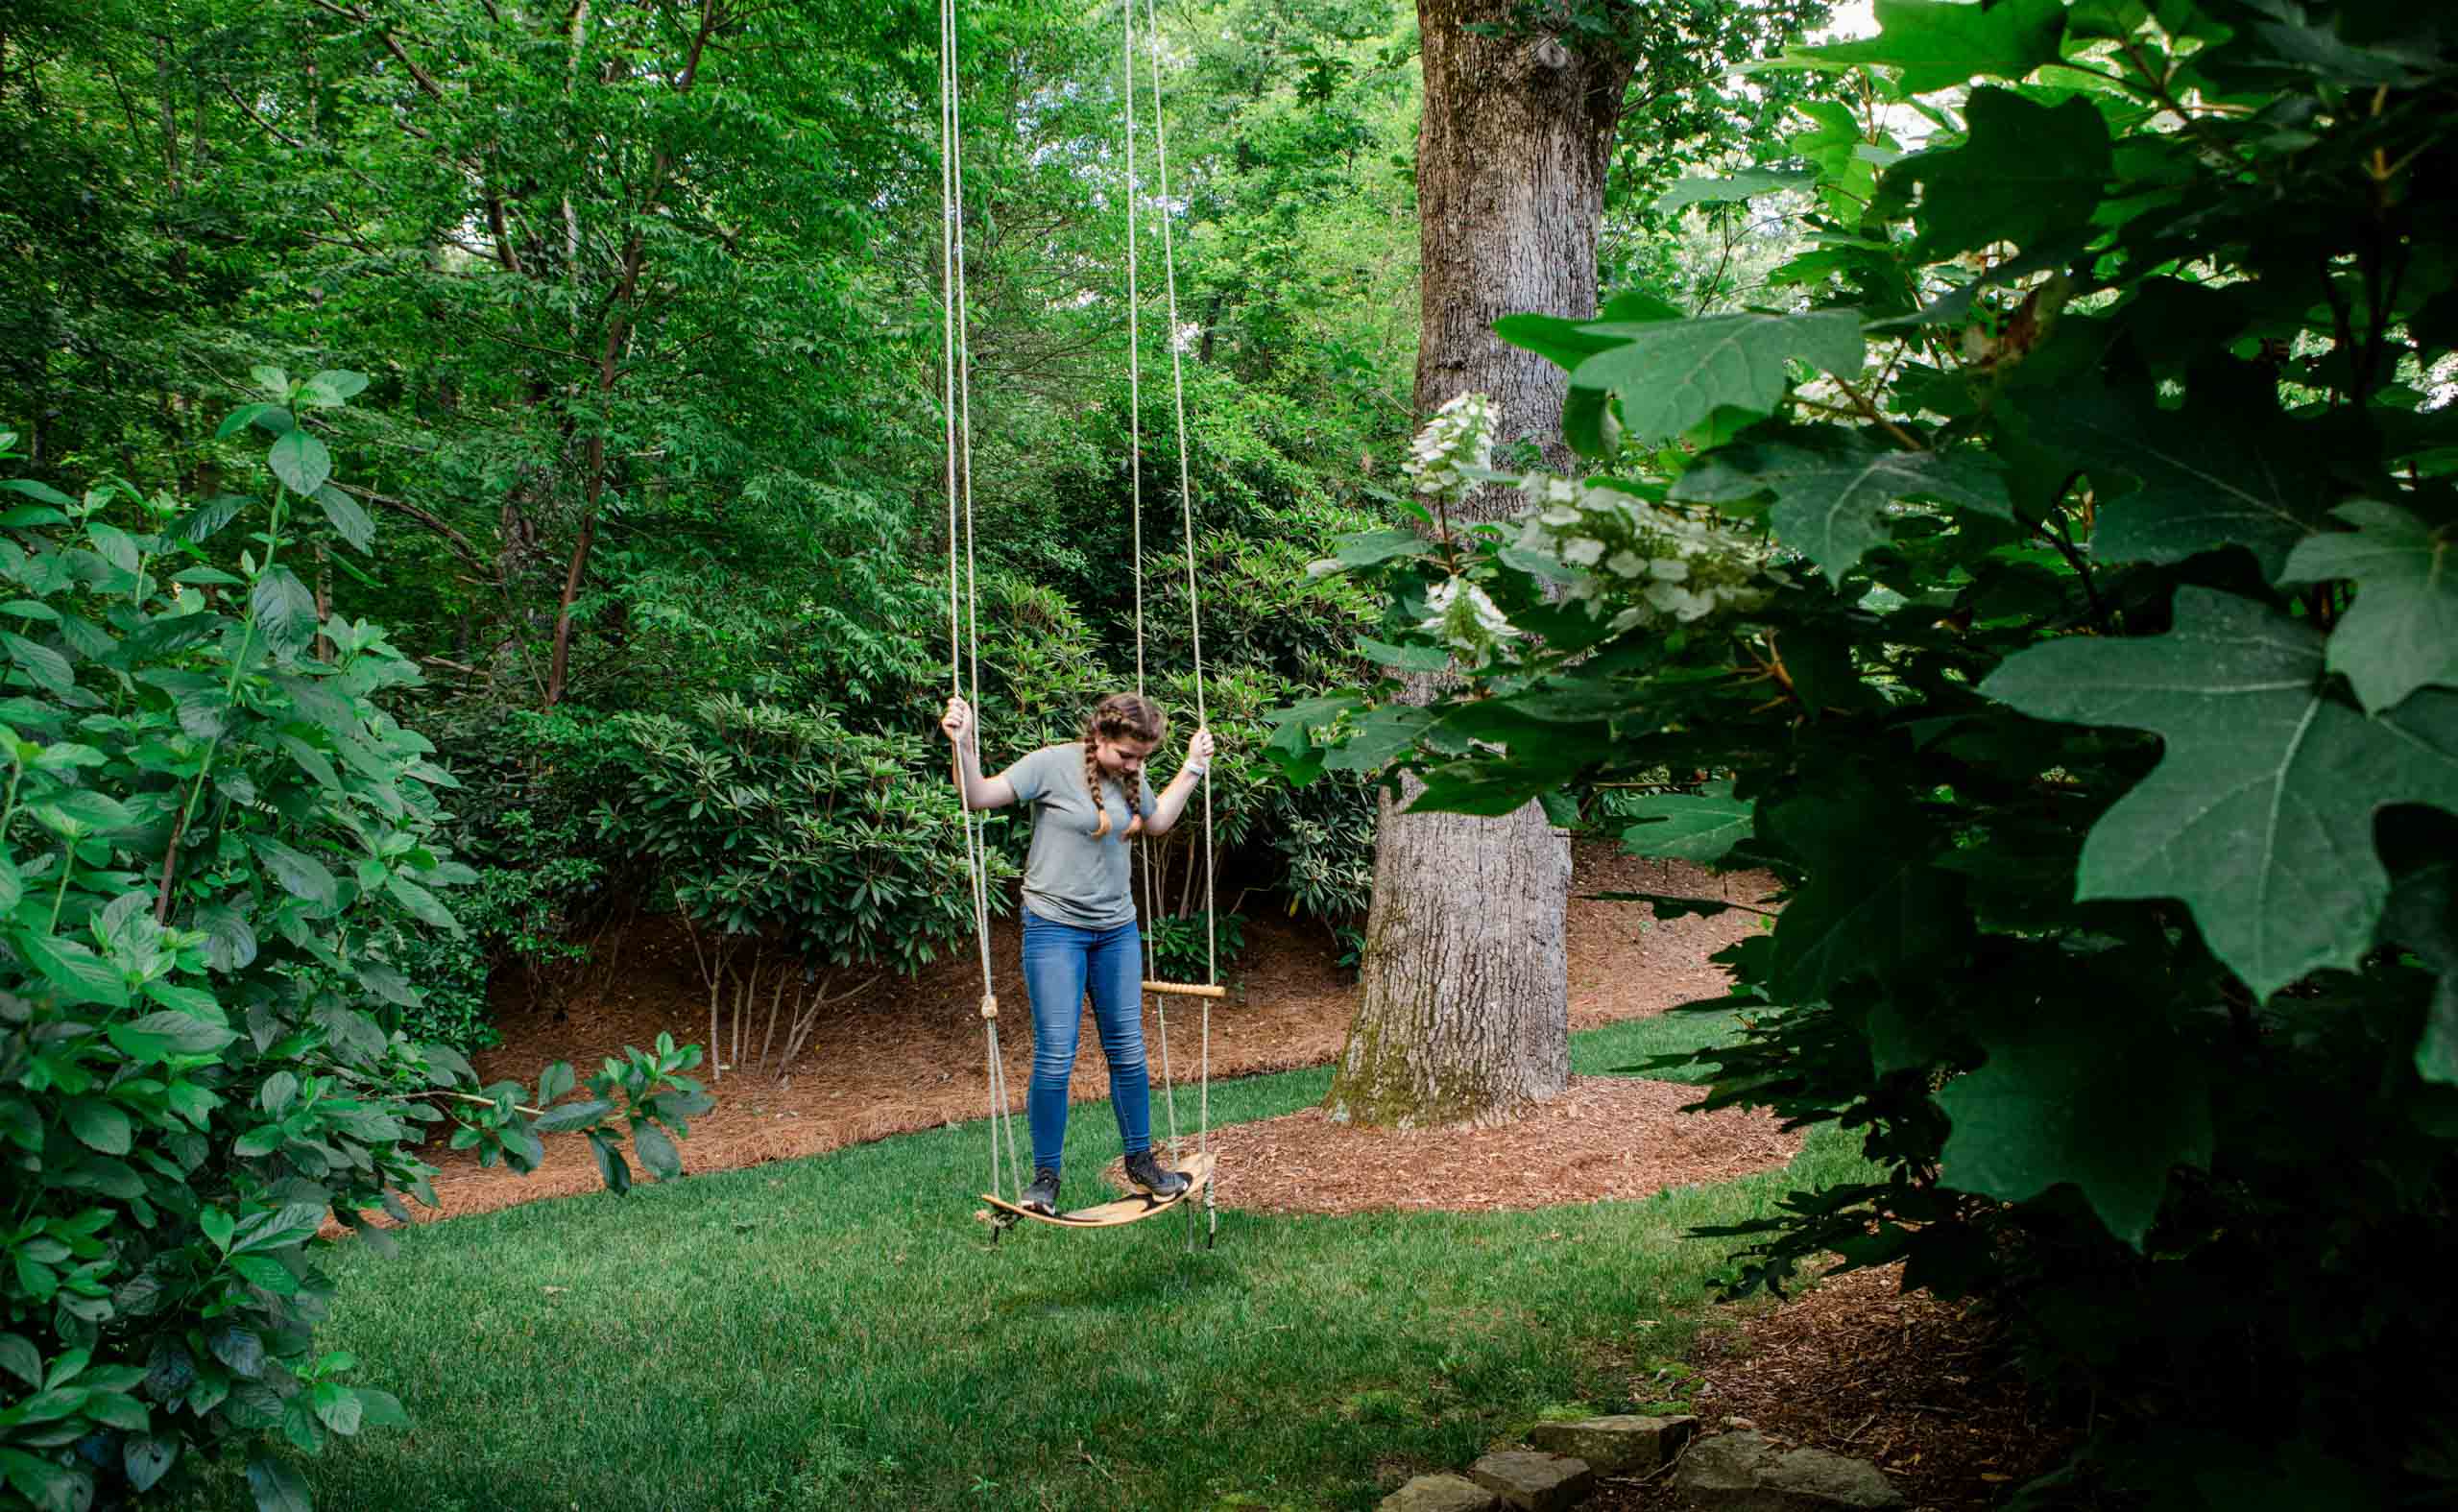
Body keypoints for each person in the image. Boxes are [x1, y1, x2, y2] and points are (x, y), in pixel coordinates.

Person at [940, 690, 1217, 1214]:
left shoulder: (1131, 776)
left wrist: (1192, 769)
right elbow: (976, 795)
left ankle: (1141, 1163)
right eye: (1126, 756)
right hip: (1054, 927)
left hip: (1116, 931)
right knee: (1056, 1053)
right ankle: (1045, 1178)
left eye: (1142, 759)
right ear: (1099, 737)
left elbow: (1156, 823)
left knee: (1128, 1051)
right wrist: (966, 743)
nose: (1134, 766)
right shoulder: (1051, 764)